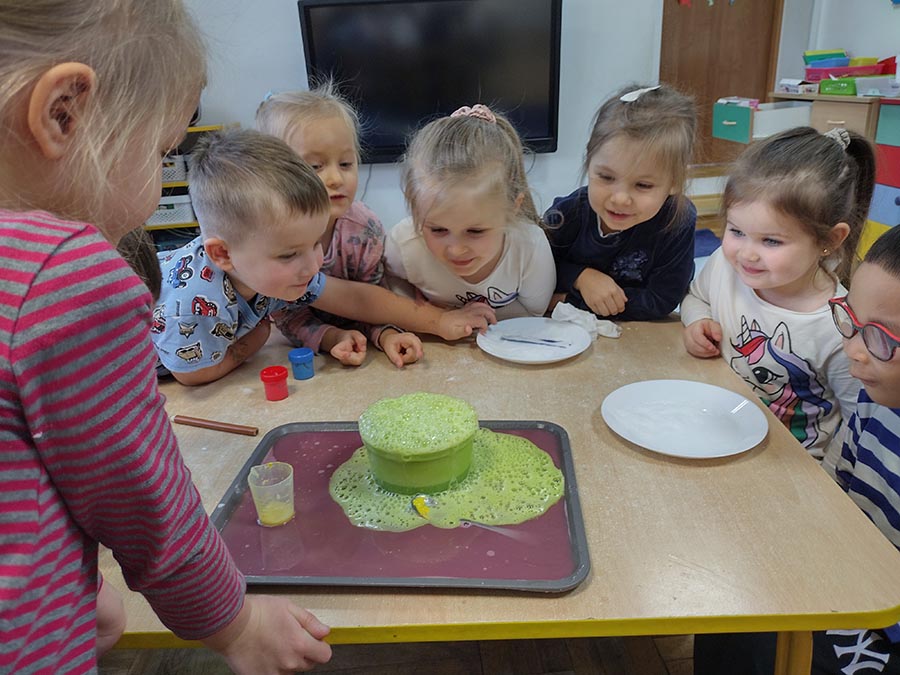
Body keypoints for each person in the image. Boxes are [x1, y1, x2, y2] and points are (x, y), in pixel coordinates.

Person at [0, 1, 333, 673]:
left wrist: (74, 576)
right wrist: (236, 624)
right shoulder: (62, 274)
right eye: (162, 153)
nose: (160, 181)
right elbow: (144, 502)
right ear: (62, 113)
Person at [695, 225, 900, 675]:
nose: (854, 351)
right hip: (846, 572)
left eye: (883, 339)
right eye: (851, 321)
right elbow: (836, 491)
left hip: (879, 617)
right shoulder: (872, 403)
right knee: (723, 600)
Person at [153, 128, 494, 385]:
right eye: (289, 254)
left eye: (316, 243)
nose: (313, 264)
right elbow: (191, 374)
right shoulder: (191, 303)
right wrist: (252, 342)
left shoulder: (273, 267)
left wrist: (439, 322)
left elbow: (357, 299)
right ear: (223, 253)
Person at [681, 126, 874, 461]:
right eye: (736, 231)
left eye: (771, 241)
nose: (747, 254)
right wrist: (697, 322)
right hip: (718, 428)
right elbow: (696, 298)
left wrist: (826, 478)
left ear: (830, 240)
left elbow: (858, 422)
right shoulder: (724, 266)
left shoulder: (840, 327)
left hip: (790, 463)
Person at [256, 83, 422, 367]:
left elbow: (373, 302)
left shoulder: (364, 228)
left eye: (345, 164)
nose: (335, 178)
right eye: (315, 167)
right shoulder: (272, 237)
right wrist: (331, 337)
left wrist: (387, 335)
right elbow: (287, 314)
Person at [384, 104, 555, 319]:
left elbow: (533, 312)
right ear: (415, 207)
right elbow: (388, 287)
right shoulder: (403, 246)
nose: (456, 250)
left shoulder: (530, 248)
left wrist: (471, 320)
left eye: (475, 231)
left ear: (513, 206)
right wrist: (434, 317)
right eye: (438, 230)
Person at [545, 83, 697, 320]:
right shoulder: (566, 214)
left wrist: (571, 301)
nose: (620, 199)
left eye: (643, 185)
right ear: (588, 160)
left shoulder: (678, 221)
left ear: (675, 181)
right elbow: (537, 270)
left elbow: (662, 299)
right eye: (606, 177)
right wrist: (581, 277)